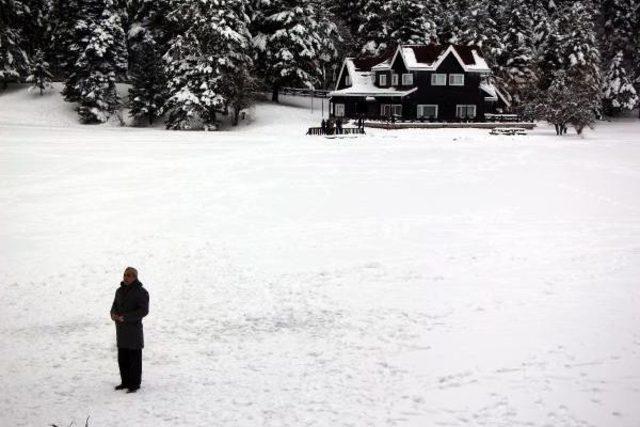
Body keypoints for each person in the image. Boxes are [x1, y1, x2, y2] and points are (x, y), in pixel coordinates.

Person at [110, 267, 149, 393]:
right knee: (123, 359)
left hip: (133, 332)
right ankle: (125, 382)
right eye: (125, 275)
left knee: (134, 359)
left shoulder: (141, 292)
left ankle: (135, 384)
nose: (126, 277)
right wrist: (113, 315)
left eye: (129, 275)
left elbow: (143, 310)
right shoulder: (119, 291)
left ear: (135, 277)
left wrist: (125, 317)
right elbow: (114, 307)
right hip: (121, 331)